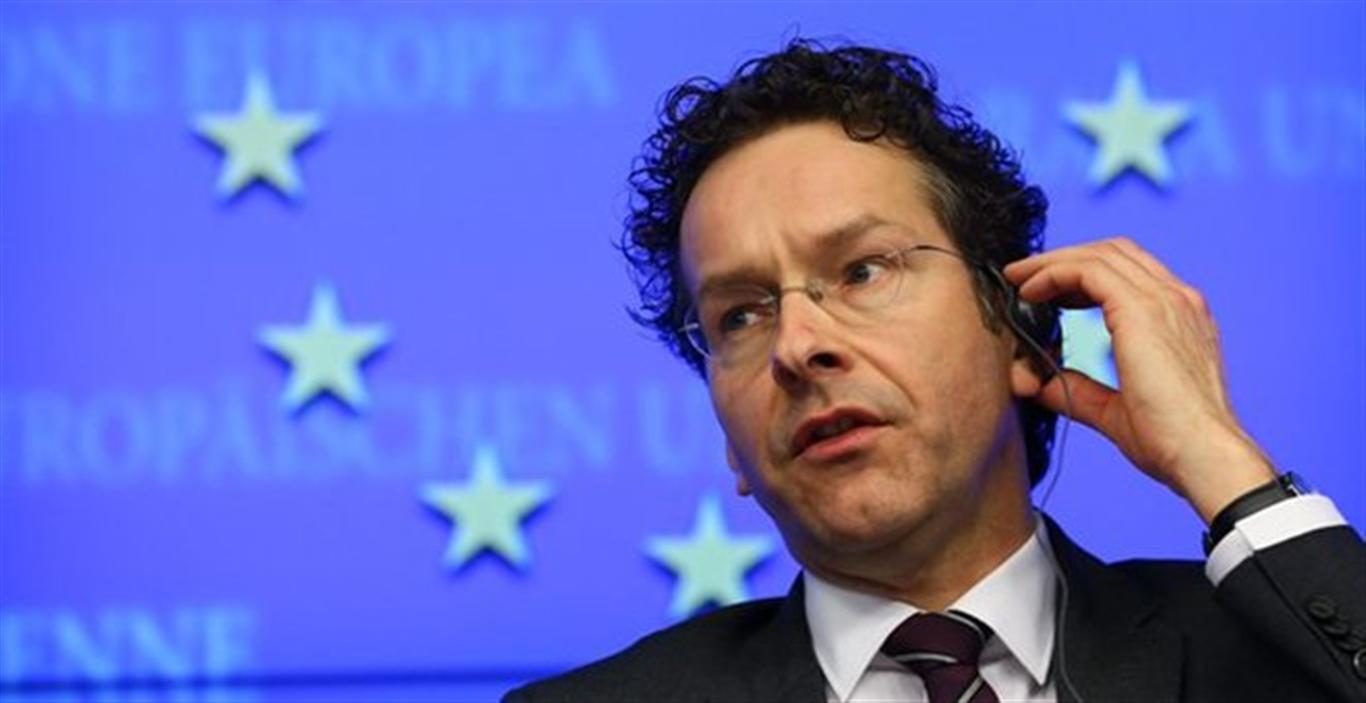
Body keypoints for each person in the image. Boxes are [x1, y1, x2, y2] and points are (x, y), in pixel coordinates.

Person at [504, 39, 1366, 702]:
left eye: (862, 271)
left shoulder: (1269, 653)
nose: (797, 345)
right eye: (740, 314)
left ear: (1015, 329)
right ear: (728, 437)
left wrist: (1221, 464)